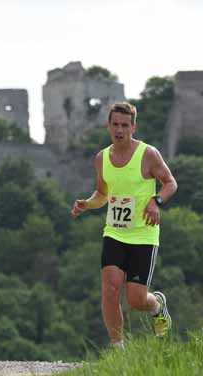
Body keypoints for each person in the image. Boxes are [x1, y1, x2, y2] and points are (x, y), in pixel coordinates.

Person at [71, 102, 178, 348]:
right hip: (115, 232)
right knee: (110, 288)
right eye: (115, 125)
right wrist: (86, 204)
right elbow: (102, 194)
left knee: (136, 300)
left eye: (125, 125)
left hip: (143, 235)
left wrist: (156, 201)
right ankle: (118, 347)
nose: (119, 130)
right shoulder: (101, 159)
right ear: (108, 126)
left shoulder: (148, 154)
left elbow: (170, 183)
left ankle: (158, 305)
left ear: (133, 127)